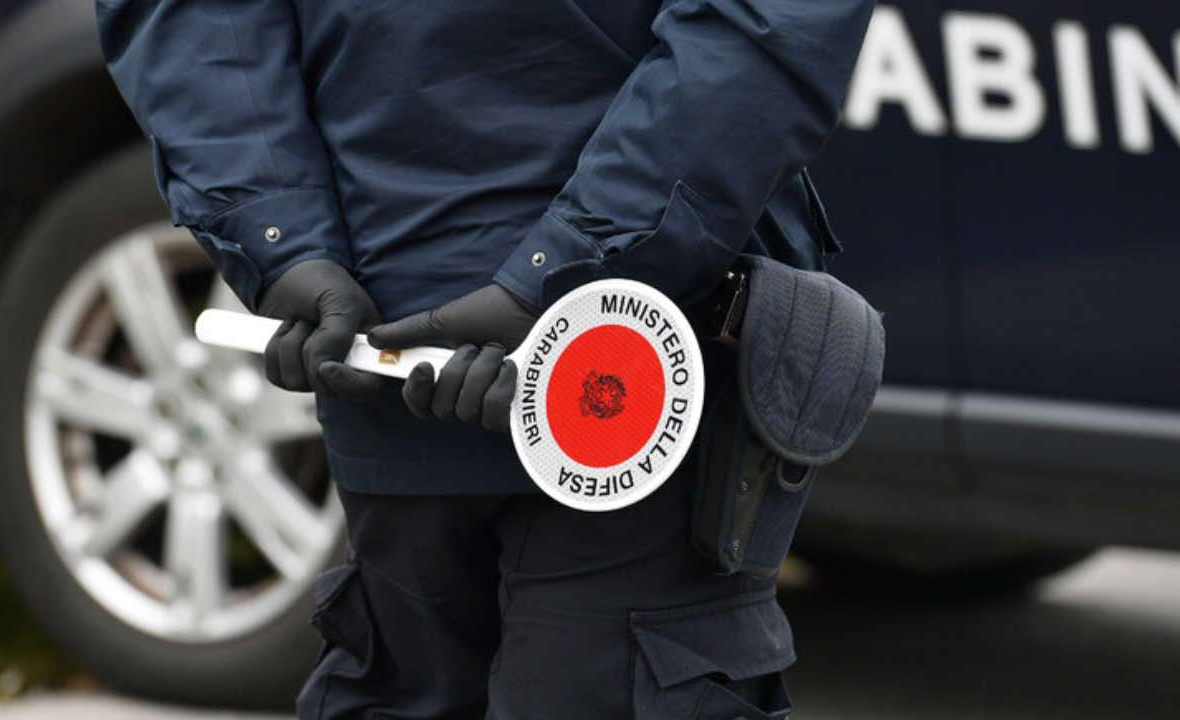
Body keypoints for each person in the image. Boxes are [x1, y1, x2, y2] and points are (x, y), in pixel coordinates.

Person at [96, 1, 874, 717]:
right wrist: (569, 267)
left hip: (474, 331)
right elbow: (767, 27)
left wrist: (280, 237)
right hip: (616, 350)